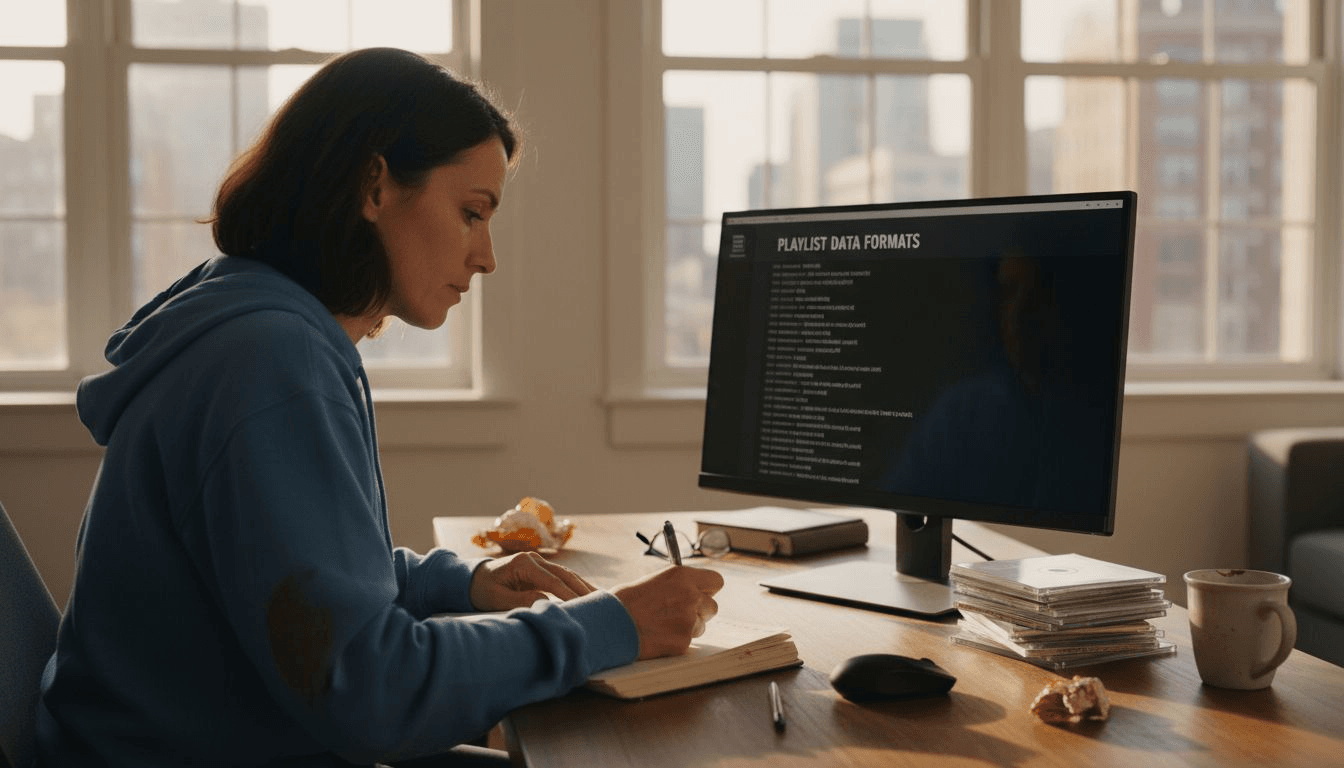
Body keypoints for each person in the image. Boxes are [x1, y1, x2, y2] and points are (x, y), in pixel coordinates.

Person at [34, 47, 723, 768]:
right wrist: (610, 626)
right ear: (374, 186)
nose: (486, 256)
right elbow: (374, 691)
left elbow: (301, 574)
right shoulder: (270, 361)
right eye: (471, 212)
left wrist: (465, 581)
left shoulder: (258, 325)